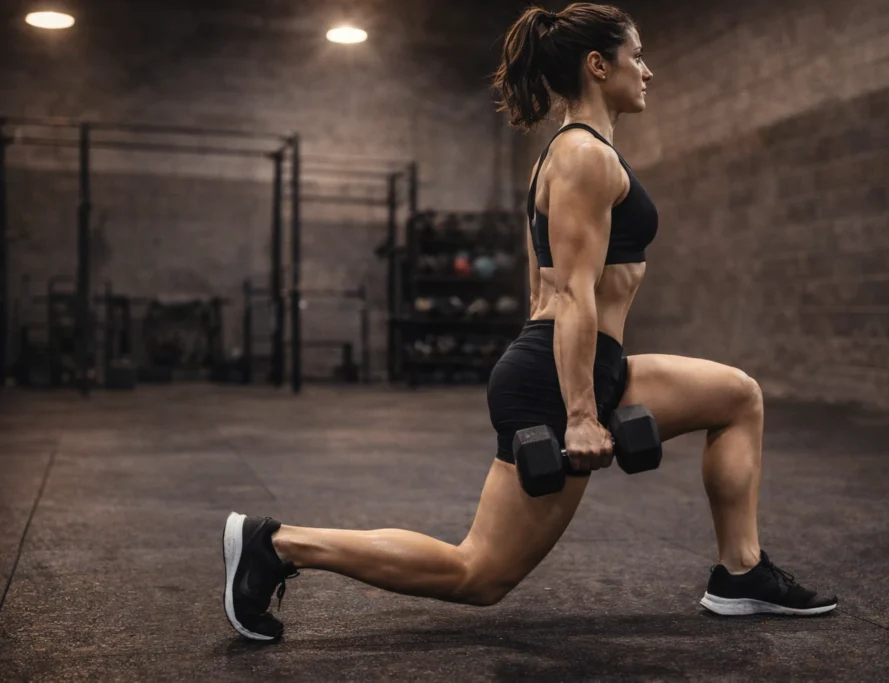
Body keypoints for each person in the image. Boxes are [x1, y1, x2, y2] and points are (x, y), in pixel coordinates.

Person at [222, 2, 838, 642]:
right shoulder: (582, 157)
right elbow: (570, 294)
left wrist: (588, 382)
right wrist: (577, 413)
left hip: (591, 363)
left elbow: (541, 283)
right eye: (637, 56)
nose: (648, 71)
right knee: (480, 574)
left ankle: (740, 573)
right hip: (559, 374)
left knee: (738, 396)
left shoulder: (569, 156)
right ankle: (278, 543)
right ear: (599, 66)